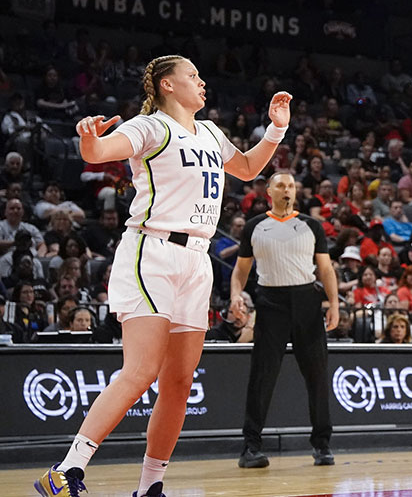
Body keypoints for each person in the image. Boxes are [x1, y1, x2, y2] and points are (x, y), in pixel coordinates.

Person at [35, 55, 291, 497]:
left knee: (179, 381)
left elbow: (248, 169)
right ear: (168, 85)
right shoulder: (148, 127)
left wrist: (276, 129)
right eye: (193, 76)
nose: (202, 81)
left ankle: (151, 485)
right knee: (141, 371)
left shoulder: (209, 131)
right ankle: (66, 470)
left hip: (196, 260)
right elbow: (100, 153)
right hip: (151, 251)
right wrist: (89, 140)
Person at [231, 173, 340, 469]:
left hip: (307, 301)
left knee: (317, 376)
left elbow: (326, 269)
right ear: (269, 192)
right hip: (270, 302)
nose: (287, 190)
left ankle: (322, 445)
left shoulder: (311, 225)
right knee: (262, 377)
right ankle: (250, 447)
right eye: (280, 185)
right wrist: (235, 295)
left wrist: (334, 305)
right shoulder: (255, 226)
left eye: (291, 185)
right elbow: (241, 270)